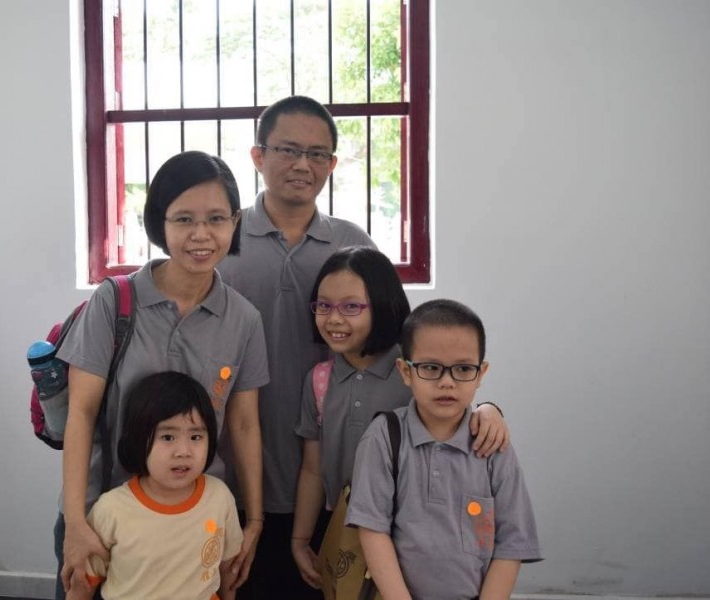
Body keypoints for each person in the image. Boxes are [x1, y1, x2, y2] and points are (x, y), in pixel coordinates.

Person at [218, 95, 510, 600]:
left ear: (332, 164)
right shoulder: (223, 240)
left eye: (317, 154)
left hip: (343, 484)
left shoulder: (351, 244)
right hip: (243, 472)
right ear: (258, 155)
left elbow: (414, 350)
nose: (302, 164)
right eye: (288, 149)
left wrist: (485, 407)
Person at [56, 151, 269, 599]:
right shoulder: (114, 302)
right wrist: (75, 521)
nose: (201, 234)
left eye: (216, 218)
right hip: (102, 516)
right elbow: (81, 412)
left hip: (194, 522)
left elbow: (244, 425)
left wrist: (253, 519)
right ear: (159, 223)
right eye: (184, 219)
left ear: (235, 223)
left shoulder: (244, 320)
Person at [291, 246, 510, 589]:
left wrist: (488, 409)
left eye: (351, 306)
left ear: (382, 305)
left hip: (412, 532)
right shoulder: (319, 381)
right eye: (324, 305)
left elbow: (455, 405)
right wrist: (301, 538)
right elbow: (312, 468)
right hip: (344, 527)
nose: (333, 319)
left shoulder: (411, 372)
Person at [346, 299, 543, 600]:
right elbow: (373, 530)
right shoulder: (384, 437)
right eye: (431, 368)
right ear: (406, 371)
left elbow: (511, 543)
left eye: (463, 368)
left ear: (481, 373)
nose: (447, 382)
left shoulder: (493, 446)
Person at [67, 371, 243, 600]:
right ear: (139, 439)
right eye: (168, 437)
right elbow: (83, 585)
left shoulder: (219, 497)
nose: (184, 452)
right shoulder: (110, 510)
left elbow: (228, 568)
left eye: (196, 437)